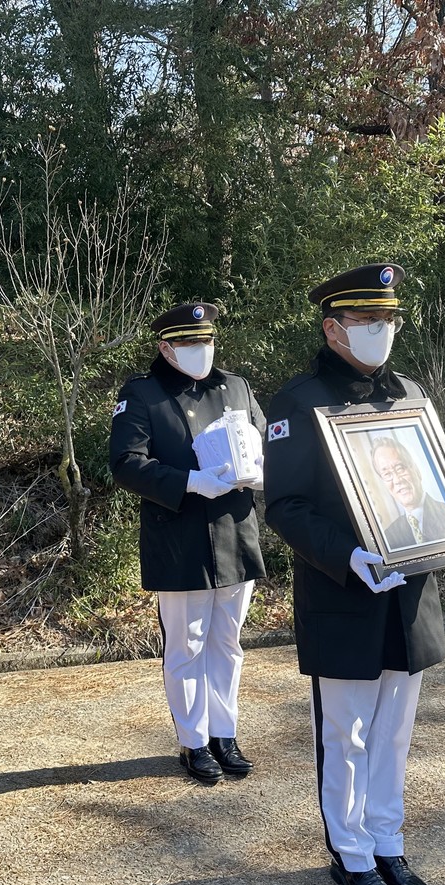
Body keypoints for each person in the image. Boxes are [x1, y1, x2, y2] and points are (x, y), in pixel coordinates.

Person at [263, 264, 445, 885]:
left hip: (410, 594)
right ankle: (352, 854)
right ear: (333, 327)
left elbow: (431, 487)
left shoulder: (410, 393)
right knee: (347, 734)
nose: (381, 331)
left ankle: (388, 842)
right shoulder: (297, 401)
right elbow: (282, 505)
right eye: (367, 321)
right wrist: (348, 555)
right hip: (345, 592)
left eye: (388, 319)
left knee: (394, 732)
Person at [109, 301, 266, 786]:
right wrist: (191, 481)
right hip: (179, 534)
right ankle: (193, 741)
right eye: (188, 343)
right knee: (186, 644)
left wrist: (262, 472)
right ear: (165, 347)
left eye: (206, 340)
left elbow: (264, 441)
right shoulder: (144, 394)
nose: (201, 350)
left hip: (234, 530)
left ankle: (225, 733)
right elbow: (125, 462)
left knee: (227, 641)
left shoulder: (234, 386)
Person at [370, 434, 445, 549]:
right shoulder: (389, 537)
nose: (397, 480)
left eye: (400, 468)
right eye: (387, 474)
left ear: (416, 470)